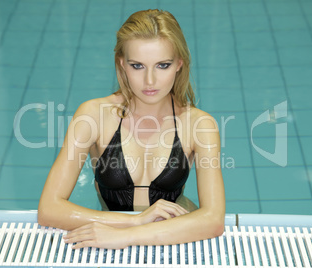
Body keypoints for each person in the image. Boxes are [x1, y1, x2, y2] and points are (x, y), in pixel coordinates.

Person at [38, 9, 225, 249]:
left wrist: (127, 235)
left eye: (162, 65)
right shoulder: (94, 116)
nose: (150, 81)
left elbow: (213, 220)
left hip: (176, 237)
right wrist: (136, 221)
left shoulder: (199, 125)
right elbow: (49, 208)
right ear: (121, 64)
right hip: (119, 232)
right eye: (137, 66)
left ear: (179, 64)